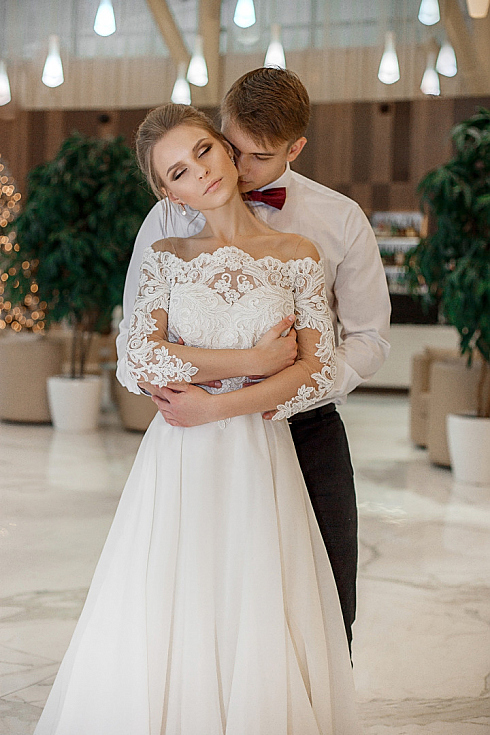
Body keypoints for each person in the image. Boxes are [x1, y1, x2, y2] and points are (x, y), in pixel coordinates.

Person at [34, 104, 360, 734]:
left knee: (254, 597)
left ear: (226, 149)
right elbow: (141, 355)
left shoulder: (299, 254)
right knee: (173, 597)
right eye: (178, 172)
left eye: (203, 151)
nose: (200, 173)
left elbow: (316, 370)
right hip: (179, 457)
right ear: (169, 193)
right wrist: (254, 361)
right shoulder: (165, 255)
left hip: (260, 454)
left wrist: (215, 403)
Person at [116, 67, 391, 652]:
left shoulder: (337, 220)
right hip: (194, 439)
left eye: (258, 157)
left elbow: (368, 340)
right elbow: (133, 349)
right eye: (227, 146)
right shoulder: (167, 223)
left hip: (305, 429)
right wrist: (240, 373)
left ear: (295, 149)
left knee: (324, 606)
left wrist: (287, 385)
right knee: (196, 611)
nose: (231, 170)